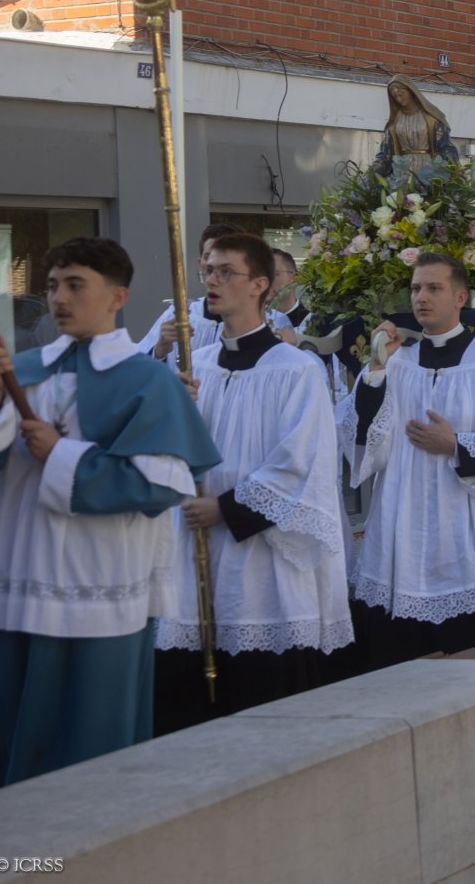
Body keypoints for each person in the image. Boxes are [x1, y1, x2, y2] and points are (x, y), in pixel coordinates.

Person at [0, 238, 219, 789]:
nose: (59, 299)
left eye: (75, 285)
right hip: (22, 582)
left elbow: (158, 486)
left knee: (93, 749)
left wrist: (62, 455)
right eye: (52, 286)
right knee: (18, 741)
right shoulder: (19, 371)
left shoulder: (147, 381)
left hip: (101, 587)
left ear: (118, 297)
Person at [153, 234, 353, 734]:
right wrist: (172, 414)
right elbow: (168, 458)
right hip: (196, 553)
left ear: (260, 285)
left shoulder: (296, 369)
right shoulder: (195, 369)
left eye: (226, 272)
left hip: (263, 562)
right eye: (209, 271)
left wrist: (225, 508)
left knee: (263, 709)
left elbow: (301, 462)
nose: (212, 281)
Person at [342, 253, 475, 669]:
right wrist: (375, 369)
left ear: (460, 297)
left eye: (434, 288)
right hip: (404, 529)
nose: (422, 297)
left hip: (471, 535)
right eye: (416, 289)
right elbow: (360, 436)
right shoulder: (396, 364)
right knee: (404, 666)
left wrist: (457, 445)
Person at [136, 221, 244, 364]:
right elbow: (138, 365)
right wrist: (159, 350)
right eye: (208, 256)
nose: (214, 263)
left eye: (223, 258)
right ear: (200, 262)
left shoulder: (258, 321)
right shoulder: (178, 314)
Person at [373, 74, 458, 177]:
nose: (398, 97)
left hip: (428, 170)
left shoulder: (431, 118)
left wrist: (449, 170)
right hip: (403, 172)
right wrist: (372, 174)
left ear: (410, 89)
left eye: (400, 91)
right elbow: (385, 154)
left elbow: (445, 147)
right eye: (394, 95)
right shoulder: (394, 123)